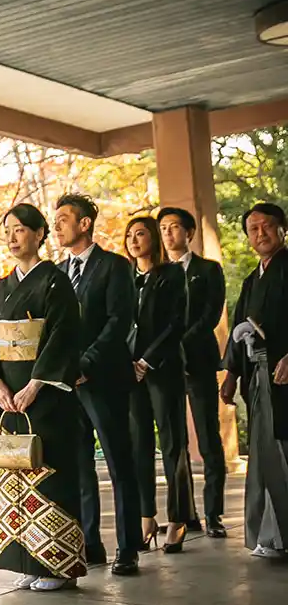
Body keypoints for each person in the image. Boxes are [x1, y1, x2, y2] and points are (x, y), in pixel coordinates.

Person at [0, 203, 87, 592]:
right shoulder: (0, 289)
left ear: (40, 234)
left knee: (48, 473)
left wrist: (35, 384)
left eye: (21, 229)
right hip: (9, 396)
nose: (12, 237)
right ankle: (27, 558)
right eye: (8, 230)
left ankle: (56, 566)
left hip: (45, 396)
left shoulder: (56, 282)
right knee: (14, 476)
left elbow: (61, 337)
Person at [53, 194, 142, 576]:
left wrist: (86, 363)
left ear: (85, 223)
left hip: (103, 379)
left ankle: (129, 547)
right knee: (79, 466)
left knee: (120, 463)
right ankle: (90, 543)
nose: (56, 226)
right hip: (67, 384)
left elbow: (119, 321)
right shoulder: (56, 272)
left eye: (63, 219)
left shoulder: (115, 266)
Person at [222, 202, 288, 558]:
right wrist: (231, 374)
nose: (260, 234)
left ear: (282, 229)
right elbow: (237, 327)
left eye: (267, 226)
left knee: (285, 451)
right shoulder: (252, 279)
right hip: (259, 373)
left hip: (284, 373)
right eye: (253, 229)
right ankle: (272, 535)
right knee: (264, 454)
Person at [124, 214, 193, 554]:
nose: (134, 241)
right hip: (129, 373)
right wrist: (127, 363)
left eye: (140, 234)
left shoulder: (171, 274)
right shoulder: (124, 277)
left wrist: (146, 361)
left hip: (161, 370)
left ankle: (178, 518)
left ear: (152, 238)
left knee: (172, 444)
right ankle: (145, 517)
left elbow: (175, 324)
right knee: (138, 447)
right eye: (129, 235)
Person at [158, 206, 228, 538]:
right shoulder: (156, 273)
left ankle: (214, 513)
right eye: (163, 228)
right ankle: (185, 514)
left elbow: (210, 313)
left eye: (174, 227)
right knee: (174, 442)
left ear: (189, 233)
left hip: (197, 361)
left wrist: (179, 339)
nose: (168, 233)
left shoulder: (208, 270)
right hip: (165, 367)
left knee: (208, 437)